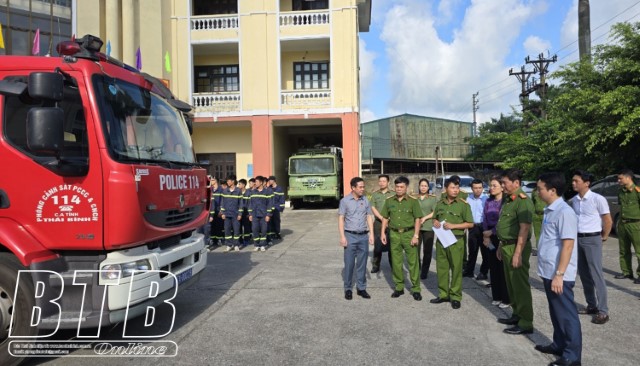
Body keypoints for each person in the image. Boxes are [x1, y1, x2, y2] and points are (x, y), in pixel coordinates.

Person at [533, 172, 582, 366]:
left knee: (567, 315)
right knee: (556, 312)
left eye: (540, 189)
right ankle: (559, 344)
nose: (537, 192)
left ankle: (572, 356)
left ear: (552, 190)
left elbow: (568, 245)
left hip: (559, 274)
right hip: (549, 271)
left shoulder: (564, 212)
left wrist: (560, 275)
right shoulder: (550, 209)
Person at [570, 170, 612, 325]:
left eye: (576, 181)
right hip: (578, 239)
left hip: (593, 238)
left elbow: (607, 220)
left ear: (586, 183)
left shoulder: (597, 199)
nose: (573, 183)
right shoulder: (574, 200)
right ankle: (591, 305)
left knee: (596, 274)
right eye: (573, 181)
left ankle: (603, 311)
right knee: (584, 274)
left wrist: (604, 236)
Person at [496, 168, 534, 335]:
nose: (502, 186)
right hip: (506, 246)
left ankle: (526, 322)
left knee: (520, 286)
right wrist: (500, 245)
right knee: (511, 285)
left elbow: (524, 230)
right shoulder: (508, 200)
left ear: (516, 183)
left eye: (505, 183)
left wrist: (517, 253)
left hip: (516, 247)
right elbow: (505, 226)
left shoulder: (523, 201)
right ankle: (517, 314)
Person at [430, 178, 474, 309]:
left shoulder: (463, 205)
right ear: (446, 189)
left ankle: (455, 296)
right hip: (441, 241)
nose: (455, 190)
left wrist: (454, 226)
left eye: (457, 188)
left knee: (456, 269)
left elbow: (470, 223)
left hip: (456, 241)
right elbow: (434, 218)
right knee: (442, 269)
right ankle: (443, 294)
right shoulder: (440, 204)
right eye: (452, 188)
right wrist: (435, 222)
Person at [381, 176, 424, 300]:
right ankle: (399, 287)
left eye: (401, 187)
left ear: (406, 187)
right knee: (396, 262)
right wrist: (383, 233)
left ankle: (416, 289)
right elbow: (385, 217)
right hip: (394, 234)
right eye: (397, 187)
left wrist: (416, 235)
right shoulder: (389, 201)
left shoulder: (413, 201)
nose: (399, 189)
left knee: (413, 262)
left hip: (409, 234)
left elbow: (417, 219)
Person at [338, 177, 375, 300]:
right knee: (349, 264)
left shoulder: (365, 200)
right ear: (353, 188)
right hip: (350, 236)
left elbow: (369, 216)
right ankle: (348, 289)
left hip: (363, 236)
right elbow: (341, 218)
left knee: (362, 264)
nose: (362, 189)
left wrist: (371, 234)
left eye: (363, 187)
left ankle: (361, 288)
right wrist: (342, 236)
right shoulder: (345, 201)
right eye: (360, 187)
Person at [483, 176, 510, 308]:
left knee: (502, 268)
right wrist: (486, 234)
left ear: (501, 187)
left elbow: (503, 222)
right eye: (490, 185)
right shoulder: (488, 201)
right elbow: (484, 218)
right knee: (493, 266)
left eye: (494, 185)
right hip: (489, 237)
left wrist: (492, 232)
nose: (491, 188)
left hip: (501, 236)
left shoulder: (505, 202)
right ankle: (497, 296)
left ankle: (506, 298)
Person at [615, 169, 640, 283]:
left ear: (628, 178)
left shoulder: (637, 191)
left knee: (639, 250)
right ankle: (626, 272)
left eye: (620, 178)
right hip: (623, 223)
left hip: (635, 224)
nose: (618, 180)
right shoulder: (621, 192)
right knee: (623, 249)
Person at [464, 178, 489, 281]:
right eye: (475, 188)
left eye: (480, 188)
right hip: (473, 227)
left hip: (484, 227)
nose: (478, 190)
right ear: (472, 189)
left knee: (485, 251)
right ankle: (469, 271)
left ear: (482, 188)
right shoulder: (468, 199)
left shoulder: (486, 199)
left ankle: (483, 272)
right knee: (472, 250)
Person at [369, 174, 395, 273]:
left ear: (388, 182)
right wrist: (382, 218)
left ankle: (393, 264)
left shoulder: (393, 194)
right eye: (380, 181)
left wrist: (389, 220)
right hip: (379, 223)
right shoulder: (375, 195)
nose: (381, 183)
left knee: (392, 244)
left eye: (384, 181)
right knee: (378, 245)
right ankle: (376, 265)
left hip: (392, 222)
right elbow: (373, 207)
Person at [416, 179, 437, 279]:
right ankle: (417, 269)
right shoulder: (414, 198)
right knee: (415, 249)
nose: (423, 187)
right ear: (419, 187)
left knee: (427, 251)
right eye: (421, 185)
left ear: (428, 187)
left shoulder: (432, 199)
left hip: (428, 227)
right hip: (417, 227)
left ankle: (425, 271)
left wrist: (425, 217)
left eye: (425, 186)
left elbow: (435, 212)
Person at [248, 176, 273, 251]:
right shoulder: (252, 192)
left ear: (261, 182)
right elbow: (250, 204)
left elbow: (270, 204)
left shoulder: (267, 192)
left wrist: (268, 215)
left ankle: (263, 244)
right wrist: (250, 214)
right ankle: (256, 245)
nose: (255, 183)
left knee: (264, 230)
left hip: (264, 215)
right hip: (255, 214)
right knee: (255, 229)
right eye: (255, 182)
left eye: (257, 182)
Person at [221, 175, 243, 252]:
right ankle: (229, 245)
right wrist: (222, 213)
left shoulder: (238, 191)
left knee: (236, 230)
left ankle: (236, 244)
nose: (227, 182)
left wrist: (240, 214)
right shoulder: (225, 191)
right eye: (227, 181)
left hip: (235, 214)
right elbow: (222, 203)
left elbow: (241, 203)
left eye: (228, 181)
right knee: (227, 230)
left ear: (233, 181)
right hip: (227, 214)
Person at [268, 176, 285, 241]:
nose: (269, 182)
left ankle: (277, 233)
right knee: (270, 221)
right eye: (269, 180)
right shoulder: (269, 189)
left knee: (276, 221)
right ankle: (272, 234)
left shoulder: (279, 189)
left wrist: (281, 207)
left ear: (274, 181)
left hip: (276, 208)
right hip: (270, 208)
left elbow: (282, 198)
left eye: (270, 180)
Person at [209, 176, 225, 250]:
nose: (211, 181)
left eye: (212, 180)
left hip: (218, 210)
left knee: (219, 225)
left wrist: (221, 210)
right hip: (211, 210)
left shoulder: (221, 190)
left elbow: (223, 200)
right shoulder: (210, 189)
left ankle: (219, 239)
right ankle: (212, 239)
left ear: (216, 181)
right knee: (212, 225)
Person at [531, 186, 545, 256]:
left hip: (545, 215)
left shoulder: (547, 190)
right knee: (537, 234)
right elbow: (532, 203)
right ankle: (539, 249)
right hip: (536, 215)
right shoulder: (534, 192)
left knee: (545, 233)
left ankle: (545, 249)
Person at [238, 179, 252, 246]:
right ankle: (240, 240)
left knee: (246, 227)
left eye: (240, 184)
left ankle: (247, 239)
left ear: (243, 185)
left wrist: (249, 214)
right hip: (239, 213)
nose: (238, 185)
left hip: (246, 213)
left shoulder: (248, 193)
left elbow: (250, 204)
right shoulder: (238, 192)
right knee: (239, 226)